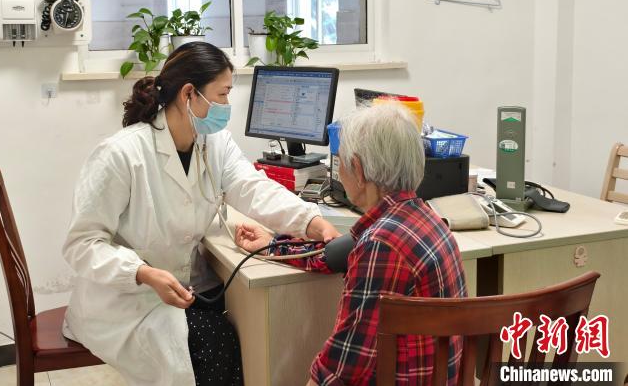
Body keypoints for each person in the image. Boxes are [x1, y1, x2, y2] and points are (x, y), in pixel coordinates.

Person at [62, 41, 339, 386]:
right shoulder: (121, 155)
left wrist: (312, 222)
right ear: (189, 94)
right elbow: (82, 244)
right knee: (216, 341)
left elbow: (252, 187)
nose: (227, 106)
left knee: (244, 324)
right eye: (222, 95)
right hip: (127, 300)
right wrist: (143, 273)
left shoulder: (214, 142)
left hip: (183, 287)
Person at [235, 103, 468, 386]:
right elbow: (333, 253)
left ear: (357, 169)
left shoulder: (381, 245)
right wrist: (273, 246)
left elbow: (342, 369)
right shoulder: (424, 219)